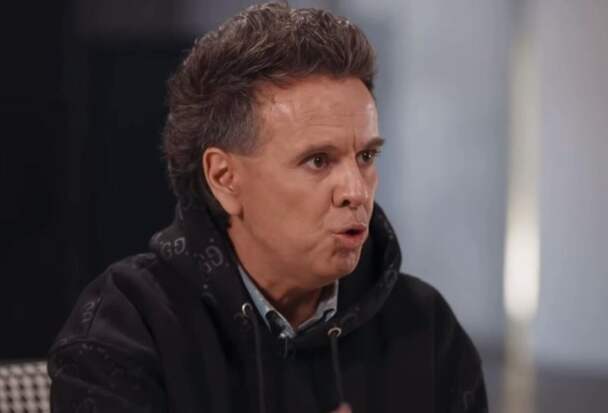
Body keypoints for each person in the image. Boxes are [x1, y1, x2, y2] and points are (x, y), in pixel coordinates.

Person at [48, 3, 488, 412]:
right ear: (224, 178)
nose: (356, 191)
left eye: (366, 156)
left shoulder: (426, 327)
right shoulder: (125, 328)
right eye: (318, 161)